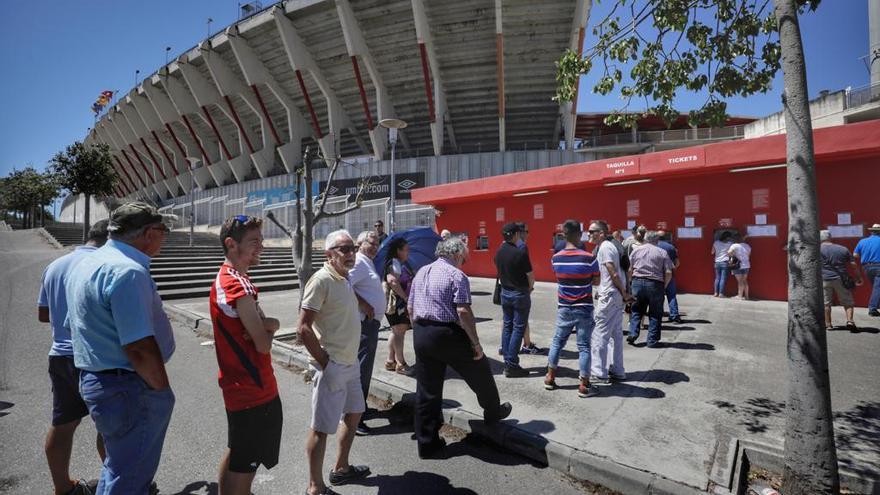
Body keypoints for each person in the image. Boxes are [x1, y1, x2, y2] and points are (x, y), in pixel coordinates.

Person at [65, 202, 176, 495]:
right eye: (164, 230)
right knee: (129, 478)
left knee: (117, 467)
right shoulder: (127, 272)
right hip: (129, 386)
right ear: (150, 232)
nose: (165, 237)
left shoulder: (87, 263)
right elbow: (139, 347)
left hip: (100, 380)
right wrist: (161, 390)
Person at [409, 236, 512, 458]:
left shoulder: (421, 271)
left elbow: (410, 306)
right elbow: (463, 312)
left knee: (427, 390)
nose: (463, 262)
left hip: (421, 331)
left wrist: (419, 332)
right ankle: (493, 411)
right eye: (463, 258)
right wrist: (476, 343)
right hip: (446, 332)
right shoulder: (456, 275)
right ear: (456, 255)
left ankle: (427, 443)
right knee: (480, 369)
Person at [209, 215, 282, 495]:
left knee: (237, 452)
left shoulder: (228, 277)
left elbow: (261, 330)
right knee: (244, 465)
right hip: (254, 391)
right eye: (254, 242)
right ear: (231, 244)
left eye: (261, 241)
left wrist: (266, 325)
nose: (260, 247)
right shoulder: (238, 285)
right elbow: (263, 344)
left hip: (239, 387)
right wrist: (270, 326)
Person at [38, 219, 109, 495]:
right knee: (110, 425)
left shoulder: (55, 266)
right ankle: (119, 483)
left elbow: (43, 314)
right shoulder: (104, 264)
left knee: (63, 424)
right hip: (96, 356)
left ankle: (63, 488)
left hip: (61, 355)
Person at [298, 230, 372, 495]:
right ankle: (315, 487)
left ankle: (341, 468)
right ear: (329, 254)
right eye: (344, 249)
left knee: (355, 412)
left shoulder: (344, 277)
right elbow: (303, 328)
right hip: (332, 365)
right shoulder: (321, 280)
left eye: (352, 247)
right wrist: (325, 363)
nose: (350, 253)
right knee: (321, 428)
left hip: (350, 363)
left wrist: (365, 305)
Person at [543, 220, 600, 398]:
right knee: (583, 346)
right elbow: (597, 281)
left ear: (563, 234)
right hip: (583, 307)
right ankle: (583, 385)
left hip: (564, 307)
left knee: (557, 342)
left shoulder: (556, 258)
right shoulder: (589, 258)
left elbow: (560, 278)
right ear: (580, 234)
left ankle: (550, 378)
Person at [348, 231, 386, 436]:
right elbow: (344, 284)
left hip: (369, 324)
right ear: (359, 243)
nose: (375, 247)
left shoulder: (366, 261)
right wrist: (364, 304)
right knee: (361, 370)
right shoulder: (359, 262)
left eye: (377, 244)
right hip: (364, 324)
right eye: (370, 243)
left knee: (364, 368)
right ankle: (355, 418)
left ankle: (359, 409)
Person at [589, 221, 634, 385]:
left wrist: (624, 293)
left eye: (592, 231)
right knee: (615, 335)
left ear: (601, 233)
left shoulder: (605, 247)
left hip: (609, 296)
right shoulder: (611, 246)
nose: (589, 234)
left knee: (599, 334)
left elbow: (612, 272)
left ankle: (599, 372)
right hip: (614, 296)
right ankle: (617, 370)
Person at [494, 222, 534, 377]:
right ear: (516, 234)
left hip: (505, 292)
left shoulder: (498, 252)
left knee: (508, 326)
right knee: (518, 328)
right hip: (519, 293)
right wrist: (529, 289)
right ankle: (512, 365)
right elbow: (531, 276)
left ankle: (507, 361)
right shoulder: (520, 253)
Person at [626, 231, 673, 348]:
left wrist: (631, 282)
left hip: (637, 281)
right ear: (657, 240)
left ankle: (632, 334)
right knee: (655, 313)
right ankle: (652, 341)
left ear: (645, 239)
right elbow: (668, 272)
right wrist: (664, 286)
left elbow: (630, 269)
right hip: (655, 283)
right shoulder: (662, 252)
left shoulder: (636, 250)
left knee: (636, 309)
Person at [383, 237, 415, 376]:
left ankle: (391, 361)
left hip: (396, 303)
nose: (408, 252)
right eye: (406, 249)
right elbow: (392, 281)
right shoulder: (395, 263)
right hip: (397, 304)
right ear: (398, 250)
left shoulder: (398, 263)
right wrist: (405, 297)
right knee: (399, 332)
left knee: (396, 331)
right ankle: (401, 364)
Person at [820, 230, 863, 330]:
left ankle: (828, 324)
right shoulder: (842, 249)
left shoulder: (816, 250)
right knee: (848, 301)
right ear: (830, 237)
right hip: (841, 279)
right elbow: (853, 265)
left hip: (824, 279)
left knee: (826, 303)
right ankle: (850, 321)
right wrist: (858, 277)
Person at [515, 222, 542, 355]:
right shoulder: (522, 246)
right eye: (527, 231)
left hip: (508, 286)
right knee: (522, 317)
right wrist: (530, 287)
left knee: (507, 318)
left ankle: (505, 345)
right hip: (520, 288)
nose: (528, 233)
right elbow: (528, 271)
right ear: (521, 232)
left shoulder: (505, 245)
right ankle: (527, 344)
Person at [854, 223, 880, 317]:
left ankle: (875, 307)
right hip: (879, 266)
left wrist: (866, 254)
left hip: (866, 267)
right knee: (878, 287)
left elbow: (855, 255)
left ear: (871, 231)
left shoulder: (862, 241)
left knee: (876, 287)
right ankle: (872, 308)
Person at [657, 230, 682, 323]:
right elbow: (677, 262)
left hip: (657, 275)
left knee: (658, 296)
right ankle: (674, 316)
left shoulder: (654, 246)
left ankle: (658, 315)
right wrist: (672, 268)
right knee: (671, 296)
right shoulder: (671, 247)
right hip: (670, 274)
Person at [727, 235, 753, 300]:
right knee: (744, 280)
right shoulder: (748, 246)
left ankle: (740, 296)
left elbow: (729, 253)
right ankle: (747, 296)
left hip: (737, 265)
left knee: (740, 281)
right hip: (746, 265)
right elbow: (748, 255)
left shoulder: (734, 245)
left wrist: (734, 255)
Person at [712, 231, 734, 297]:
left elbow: (712, 252)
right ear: (728, 237)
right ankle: (721, 294)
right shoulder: (730, 244)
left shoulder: (716, 242)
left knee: (717, 278)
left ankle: (715, 293)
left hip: (717, 262)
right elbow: (732, 253)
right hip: (725, 262)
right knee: (723, 278)